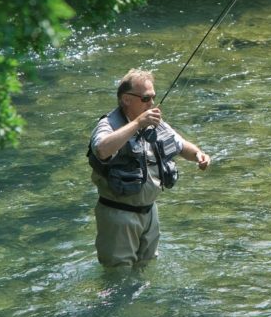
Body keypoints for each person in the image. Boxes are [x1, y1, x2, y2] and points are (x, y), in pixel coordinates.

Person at [88, 68, 210, 268]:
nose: (151, 103)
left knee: (146, 269)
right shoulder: (108, 124)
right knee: (119, 275)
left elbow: (180, 145)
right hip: (119, 215)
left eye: (153, 97)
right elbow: (101, 149)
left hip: (150, 213)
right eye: (145, 98)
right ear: (126, 99)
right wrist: (137, 124)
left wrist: (198, 155)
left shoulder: (154, 123)